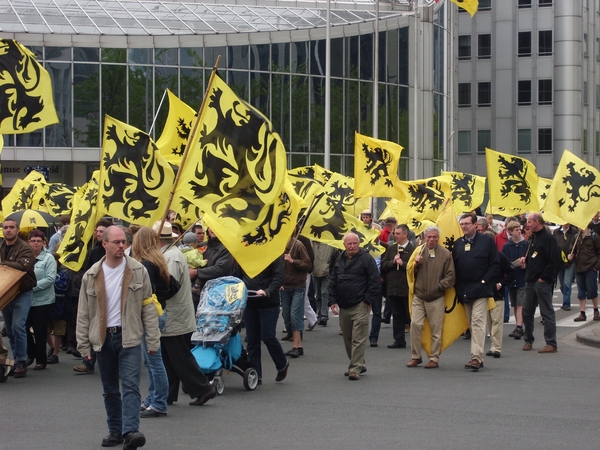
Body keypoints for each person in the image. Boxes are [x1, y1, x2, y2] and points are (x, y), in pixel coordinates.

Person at [77, 226, 159, 449]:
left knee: (131, 385)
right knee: (110, 388)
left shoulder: (138, 270)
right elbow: (84, 313)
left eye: (124, 241)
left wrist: (153, 340)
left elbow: (148, 307)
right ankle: (115, 430)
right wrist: (83, 344)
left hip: (129, 337)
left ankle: (131, 431)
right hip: (103, 338)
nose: (122, 246)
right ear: (104, 244)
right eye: (117, 242)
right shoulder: (92, 274)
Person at [152, 221, 217, 407]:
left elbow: (169, 285)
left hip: (174, 314)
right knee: (170, 357)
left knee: (179, 356)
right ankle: (168, 393)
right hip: (174, 313)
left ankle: (204, 389)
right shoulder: (169, 254)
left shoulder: (170, 257)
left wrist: (154, 294)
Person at [131, 227, 171, 418]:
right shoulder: (158, 260)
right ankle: (153, 398)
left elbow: (143, 293)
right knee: (151, 360)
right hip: (159, 311)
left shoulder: (146, 264)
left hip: (151, 315)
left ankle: (159, 402)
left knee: (154, 361)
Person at [329, 233, 380, 380]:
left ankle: (355, 368)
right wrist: (332, 300)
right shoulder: (339, 259)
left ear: (359, 244)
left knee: (358, 338)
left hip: (360, 304)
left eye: (355, 243)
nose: (352, 246)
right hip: (344, 305)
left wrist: (368, 300)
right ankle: (359, 363)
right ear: (344, 245)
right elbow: (333, 281)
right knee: (348, 338)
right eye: (349, 244)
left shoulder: (366, 259)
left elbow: (375, 281)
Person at [453, 212, 500, 371]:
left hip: (481, 289)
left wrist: (485, 281)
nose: (464, 226)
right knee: (472, 325)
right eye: (462, 224)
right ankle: (478, 354)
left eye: (467, 223)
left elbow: (495, 264)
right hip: (464, 290)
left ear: (475, 225)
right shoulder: (458, 244)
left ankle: (475, 358)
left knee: (478, 321)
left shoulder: (486, 242)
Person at [234, 256, 288, 385]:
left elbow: (278, 278)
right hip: (249, 301)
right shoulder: (243, 256)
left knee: (268, 336)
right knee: (252, 339)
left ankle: (282, 364)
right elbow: (237, 276)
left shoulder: (273, 255)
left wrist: (267, 291)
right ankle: (256, 374)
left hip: (268, 302)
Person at [407, 226, 455, 368]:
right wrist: (416, 265)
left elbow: (451, 276)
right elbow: (409, 272)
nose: (432, 239)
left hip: (436, 297)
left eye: (434, 237)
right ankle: (416, 356)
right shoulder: (418, 251)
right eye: (429, 237)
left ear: (438, 238)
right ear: (424, 238)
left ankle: (434, 358)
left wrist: (440, 286)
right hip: (419, 296)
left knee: (436, 329)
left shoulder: (446, 254)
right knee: (415, 325)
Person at [73, 218, 112, 374]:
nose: (98, 234)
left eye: (101, 231)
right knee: (92, 326)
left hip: (111, 296)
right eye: (97, 231)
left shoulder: (116, 251)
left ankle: (115, 365)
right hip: (95, 294)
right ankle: (88, 361)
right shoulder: (94, 251)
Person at [0, 219, 37, 378]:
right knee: (9, 329)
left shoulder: (25, 247)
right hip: (5, 290)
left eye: (11, 227)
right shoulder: (1, 246)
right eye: (5, 227)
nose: (8, 230)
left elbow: (23, 266)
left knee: (18, 326)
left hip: (22, 291)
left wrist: (2, 263)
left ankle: (22, 359)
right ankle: (16, 359)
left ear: (17, 229)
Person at [520, 212, 561, 354]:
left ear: (537, 222)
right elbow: (532, 255)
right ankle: (528, 340)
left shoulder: (549, 239)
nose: (528, 224)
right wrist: (525, 261)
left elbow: (554, 260)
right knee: (526, 312)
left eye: (530, 222)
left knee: (546, 312)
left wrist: (544, 277)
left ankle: (551, 343)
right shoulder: (533, 238)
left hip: (541, 281)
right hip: (530, 280)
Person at [26, 230, 57, 371]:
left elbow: (50, 279)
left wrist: (31, 288)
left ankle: (41, 360)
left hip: (43, 300)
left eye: (39, 241)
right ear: (29, 242)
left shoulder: (49, 258)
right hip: (26, 300)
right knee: (22, 328)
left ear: (44, 242)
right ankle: (29, 355)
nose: (36, 243)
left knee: (39, 330)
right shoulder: (25, 256)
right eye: (33, 241)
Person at [380, 224, 415, 349]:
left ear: (405, 234)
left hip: (407, 288)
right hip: (393, 287)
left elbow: (415, 269)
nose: (395, 236)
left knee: (410, 315)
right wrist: (392, 262)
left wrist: (403, 263)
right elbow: (383, 265)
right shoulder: (391, 249)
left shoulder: (413, 249)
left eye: (398, 234)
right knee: (397, 314)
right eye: (395, 233)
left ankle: (417, 341)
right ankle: (399, 340)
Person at [280, 237, 312, 357]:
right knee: (286, 314)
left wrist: (293, 261)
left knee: (295, 314)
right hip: (285, 286)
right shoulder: (278, 245)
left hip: (298, 285)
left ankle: (297, 346)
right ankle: (294, 338)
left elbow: (308, 264)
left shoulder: (298, 245)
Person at [485, 251, 515, 358]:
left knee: (496, 321)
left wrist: (501, 284)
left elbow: (511, 271)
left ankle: (496, 348)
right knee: (489, 321)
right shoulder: (479, 256)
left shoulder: (500, 256)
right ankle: (493, 345)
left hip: (497, 293)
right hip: (484, 293)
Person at [502, 221, 527, 339]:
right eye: (516, 229)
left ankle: (519, 326)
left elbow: (530, 259)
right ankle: (519, 325)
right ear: (510, 232)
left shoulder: (525, 244)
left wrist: (525, 265)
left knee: (520, 303)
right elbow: (504, 261)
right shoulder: (507, 246)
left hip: (522, 277)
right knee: (515, 304)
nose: (519, 231)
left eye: (519, 229)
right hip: (512, 277)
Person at [572, 222, 600, 322]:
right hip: (579, 268)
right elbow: (573, 251)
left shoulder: (593, 236)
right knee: (581, 292)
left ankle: (596, 310)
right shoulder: (576, 237)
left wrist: (596, 267)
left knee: (592, 291)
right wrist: (571, 257)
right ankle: (582, 313)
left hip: (590, 267)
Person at [553, 223, 578, 311]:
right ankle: (565, 292)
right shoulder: (556, 232)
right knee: (563, 283)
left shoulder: (574, 231)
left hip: (569, 262)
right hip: (559, 261)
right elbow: (554, 245)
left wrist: (572, 254)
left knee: (567, 282)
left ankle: (566, 303)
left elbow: (576, 244)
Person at [312, 242, 336, 326]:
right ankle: (319, 314)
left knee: (324, 293)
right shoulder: (312, 242)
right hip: (315, 271)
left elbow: (335, 255)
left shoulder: (329, 243)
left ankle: (324, 316)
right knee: (318, 295)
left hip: (326, 271)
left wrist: (330, 267)